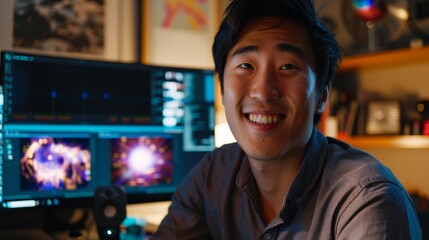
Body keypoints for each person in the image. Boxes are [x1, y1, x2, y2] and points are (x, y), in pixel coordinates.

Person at [151, 0, 423, 239]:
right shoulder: (213, 174)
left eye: (288, 67)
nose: (263, 90)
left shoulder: (367, 200)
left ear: (322, 95)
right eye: (246, 66)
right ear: (222, 89)